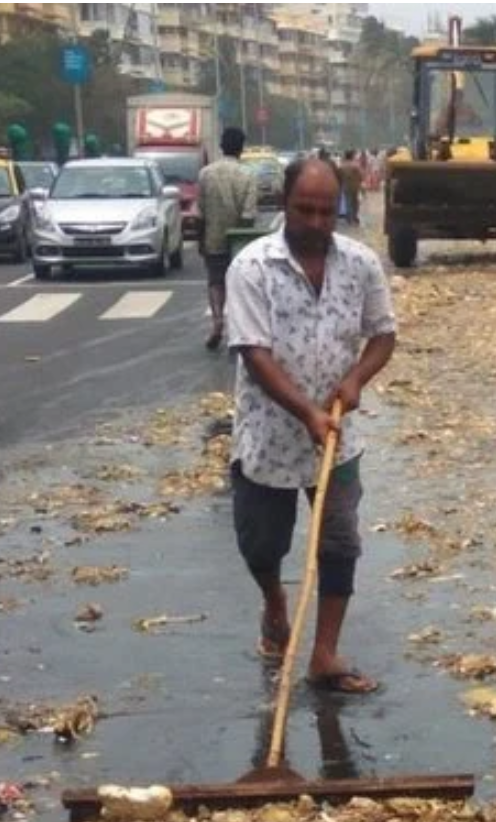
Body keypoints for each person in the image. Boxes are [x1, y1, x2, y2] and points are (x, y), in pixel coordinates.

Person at [225, 156, 397, 695]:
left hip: (337, 440)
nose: (318, 223)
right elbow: (254, 353)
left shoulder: (361, 264)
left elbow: (383, 334)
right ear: (285, 204)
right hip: (269, 436)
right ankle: (275, 601)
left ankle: (324, 654)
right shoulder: (251, 268)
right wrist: (306, 412)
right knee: (261, 544)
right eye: (306, 210)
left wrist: (355, 382)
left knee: (339, 543)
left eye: (327, 211)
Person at [197, 126, 258, 352]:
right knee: (240, 286)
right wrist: (241, 236)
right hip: (240, 242)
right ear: (241, 148)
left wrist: (201, 240)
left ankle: (217, 322)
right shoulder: (248, 175)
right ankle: (237, 329)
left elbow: (200, 212)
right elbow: (249, 214)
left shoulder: (206, 174)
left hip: (213, 238)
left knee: (215, 281)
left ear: (222, 146)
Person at [338, 150, 363, 226]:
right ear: (352, 156)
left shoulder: (342, 166)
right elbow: (361, 176)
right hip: (355, 186)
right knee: (355, 203)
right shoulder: (355, 165)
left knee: (348, 203)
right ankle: (354, 218)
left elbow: (339, 177)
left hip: (345, 186)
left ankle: (349, 219)